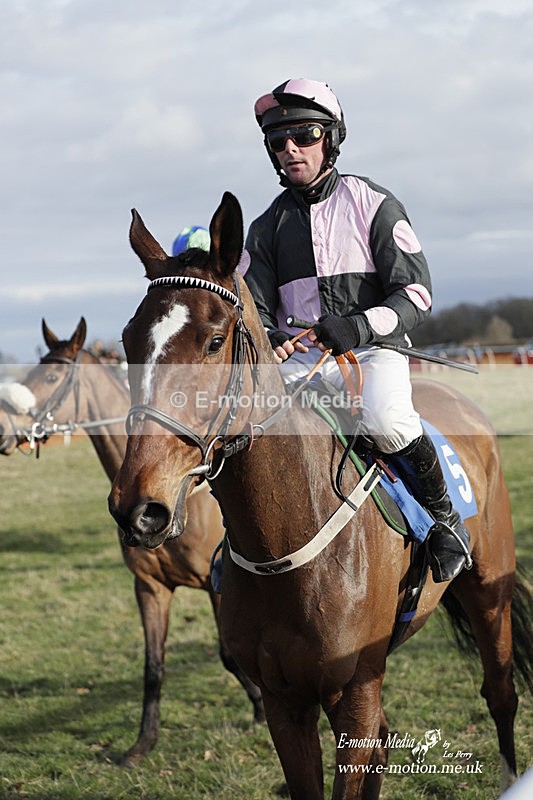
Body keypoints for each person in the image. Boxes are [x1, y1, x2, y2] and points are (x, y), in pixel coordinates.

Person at [240, 78, 472, 583]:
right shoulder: (263, 228)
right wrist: (273, 340)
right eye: (278, 142)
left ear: (331, 138)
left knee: (385, 420)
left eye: (304, 134)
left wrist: (359, 325)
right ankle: (239, 554)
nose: (290, 149)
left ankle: (445, 522)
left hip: (371, 353)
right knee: (249, 435)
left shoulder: (374, 203)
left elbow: (416, 292)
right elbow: (254, 307)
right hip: (300, 362)